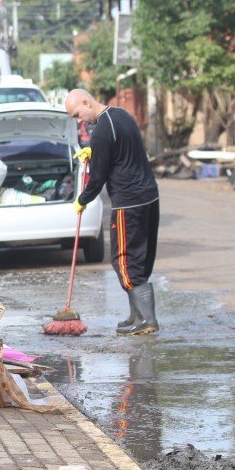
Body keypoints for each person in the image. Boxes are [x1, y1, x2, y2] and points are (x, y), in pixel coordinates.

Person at [64, 88, 160, 336]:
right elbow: (122, 155)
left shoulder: (102, 132)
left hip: (128, 203)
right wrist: (95, 154)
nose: (78, 120)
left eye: (77, 114)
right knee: (141, 259)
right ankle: (136, 315)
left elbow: (97, 178)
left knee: (124, 260)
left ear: (86, 102)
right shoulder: (122, 115)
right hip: (149, 196)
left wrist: (82, 199)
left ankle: (147, 319)